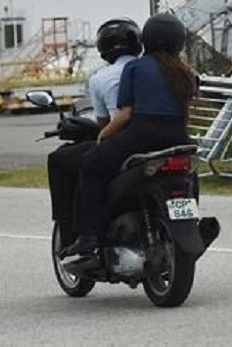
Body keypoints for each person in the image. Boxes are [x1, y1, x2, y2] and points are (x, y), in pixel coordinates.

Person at [62, 13, 197, 257]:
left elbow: (125, 114)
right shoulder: (185, 72)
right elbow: (185, 112)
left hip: (142, 134)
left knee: (90, 164)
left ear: (146, 39)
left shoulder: (136, 66)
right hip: (178, 136)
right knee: (188, 174)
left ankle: (89, 236)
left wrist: (103, 135)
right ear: (179, 41)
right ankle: (192, 218)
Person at [47, 18, 141, 247]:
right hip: (168, 139)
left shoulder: (101, 78)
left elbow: (108, 121)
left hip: (124, 142)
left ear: (104, 47)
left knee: (62, 160)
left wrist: (102, 134)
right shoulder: (156, 69)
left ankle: (79, 233)